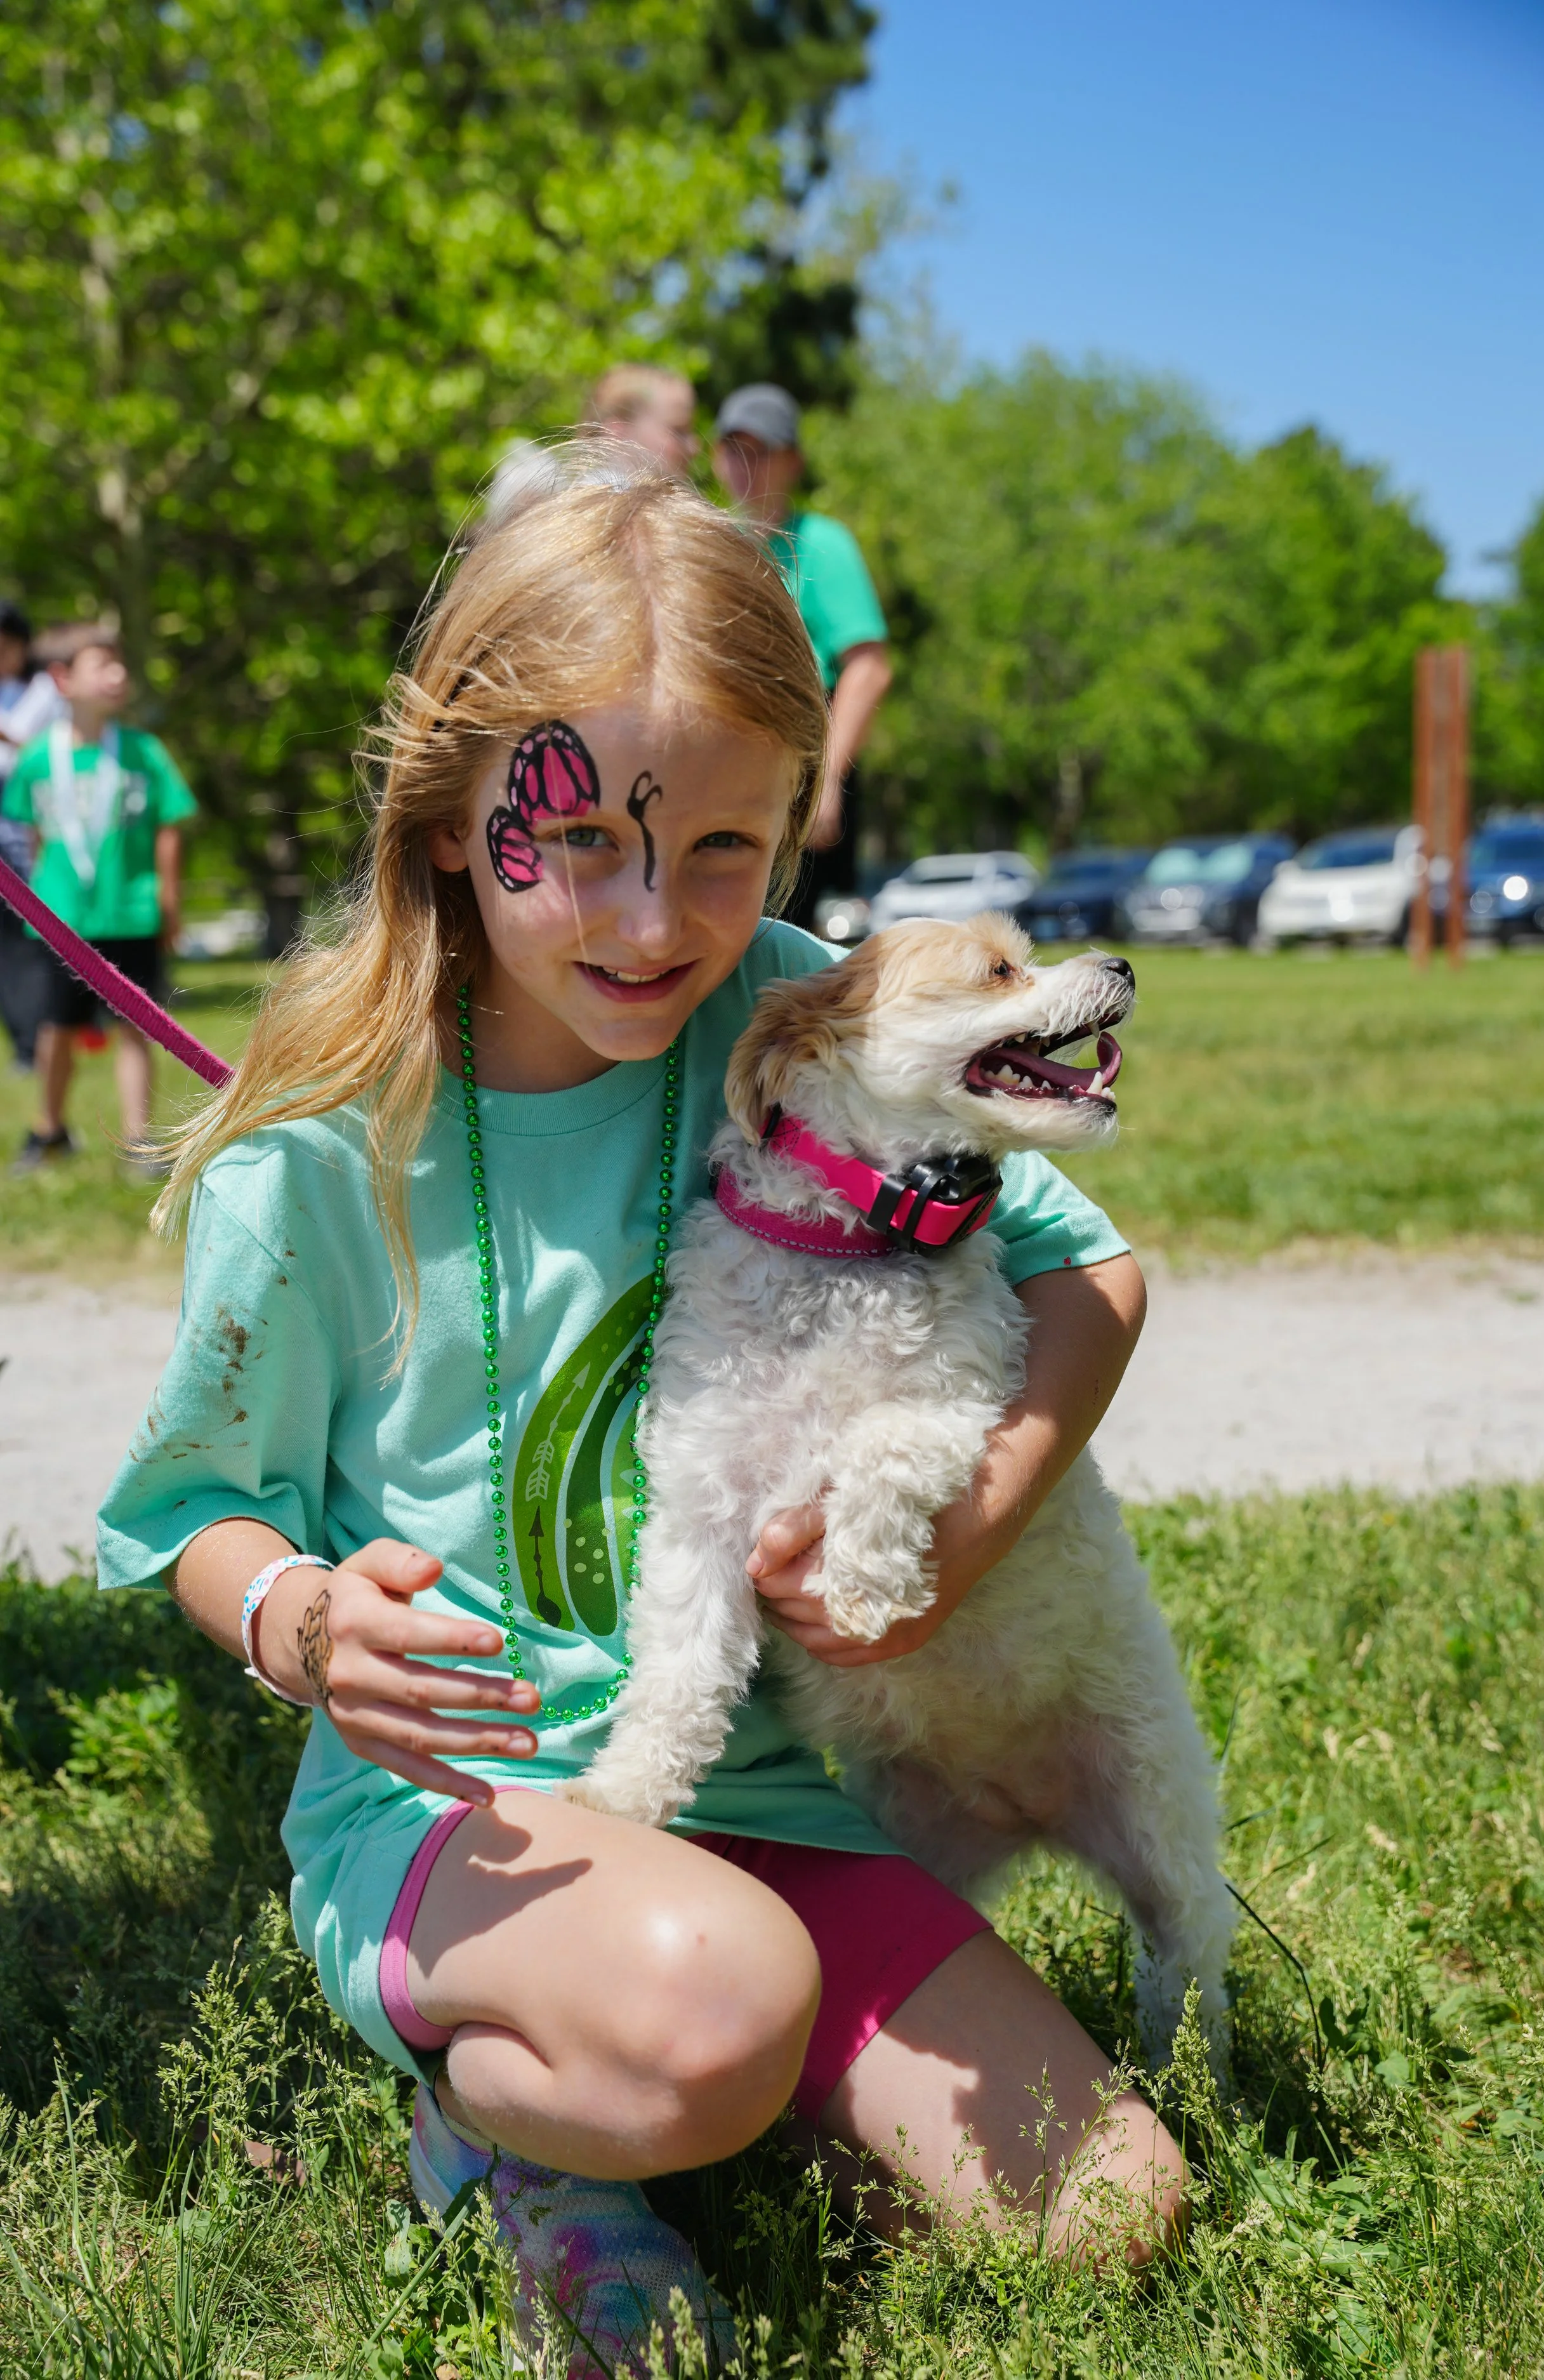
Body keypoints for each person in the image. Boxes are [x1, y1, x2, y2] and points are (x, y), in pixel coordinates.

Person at [96, 453, 1177, 2371]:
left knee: (1107, 2208)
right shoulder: (321, 1149)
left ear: (788, 833)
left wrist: (973, 1522)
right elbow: (198, 1507)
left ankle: (705, 2081)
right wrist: (301, 1618)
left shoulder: (798, 1019)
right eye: (576, 836)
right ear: (449, 820)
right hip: (476, 1820)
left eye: (721, 852)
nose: (648, 918)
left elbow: (1084, 1274)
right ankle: (513, 2132)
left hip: (777, 1802)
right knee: (710, 2008)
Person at [3, 621, 197, 1174]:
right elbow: (33, 831)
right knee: (54, 1028)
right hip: (60, 919)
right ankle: (49, 1130)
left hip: (131, 913)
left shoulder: (143, 751)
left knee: (136, 1025)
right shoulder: (40, 757)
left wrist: (169, 898)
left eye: (121, 665)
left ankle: (139, 1140)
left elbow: (170, 824)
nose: (119, 676)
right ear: (62, 679)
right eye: (103, 665)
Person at [713, 384, 892, 932]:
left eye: (761, 451)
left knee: (791, 948)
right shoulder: (711, 543)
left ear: (793, 461)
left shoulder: (821, 544)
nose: (746, 466)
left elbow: (868, 666)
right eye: (733, 449)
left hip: (801, 759)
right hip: (725, 758)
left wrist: (827, 780)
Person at [488, 366, 699, 525]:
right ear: (618, 431)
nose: (695, 447)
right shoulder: (607, 511)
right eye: (679, 430)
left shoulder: (577, 503)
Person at [0, 601, 64, 1071]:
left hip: (24, 827)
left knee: (29, 940)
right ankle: (22, 1041)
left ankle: (34, 1045)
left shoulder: (44, 690)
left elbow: (37, 745)